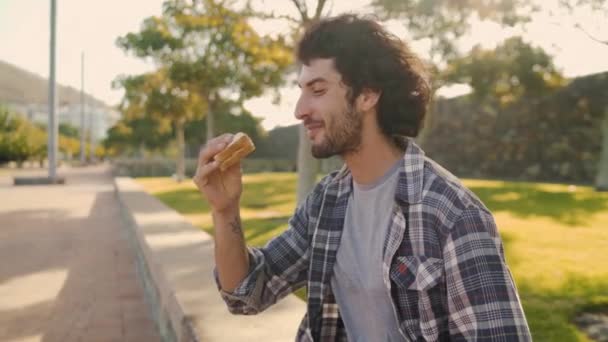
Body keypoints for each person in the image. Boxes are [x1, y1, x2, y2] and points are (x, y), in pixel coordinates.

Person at [193, 14, 531, 342]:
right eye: (301, 89)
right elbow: (247, 292)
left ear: (367, 95)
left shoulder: (453, 214)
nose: (299, 109)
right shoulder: (328, 201)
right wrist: (225, 211)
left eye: (318, 90)